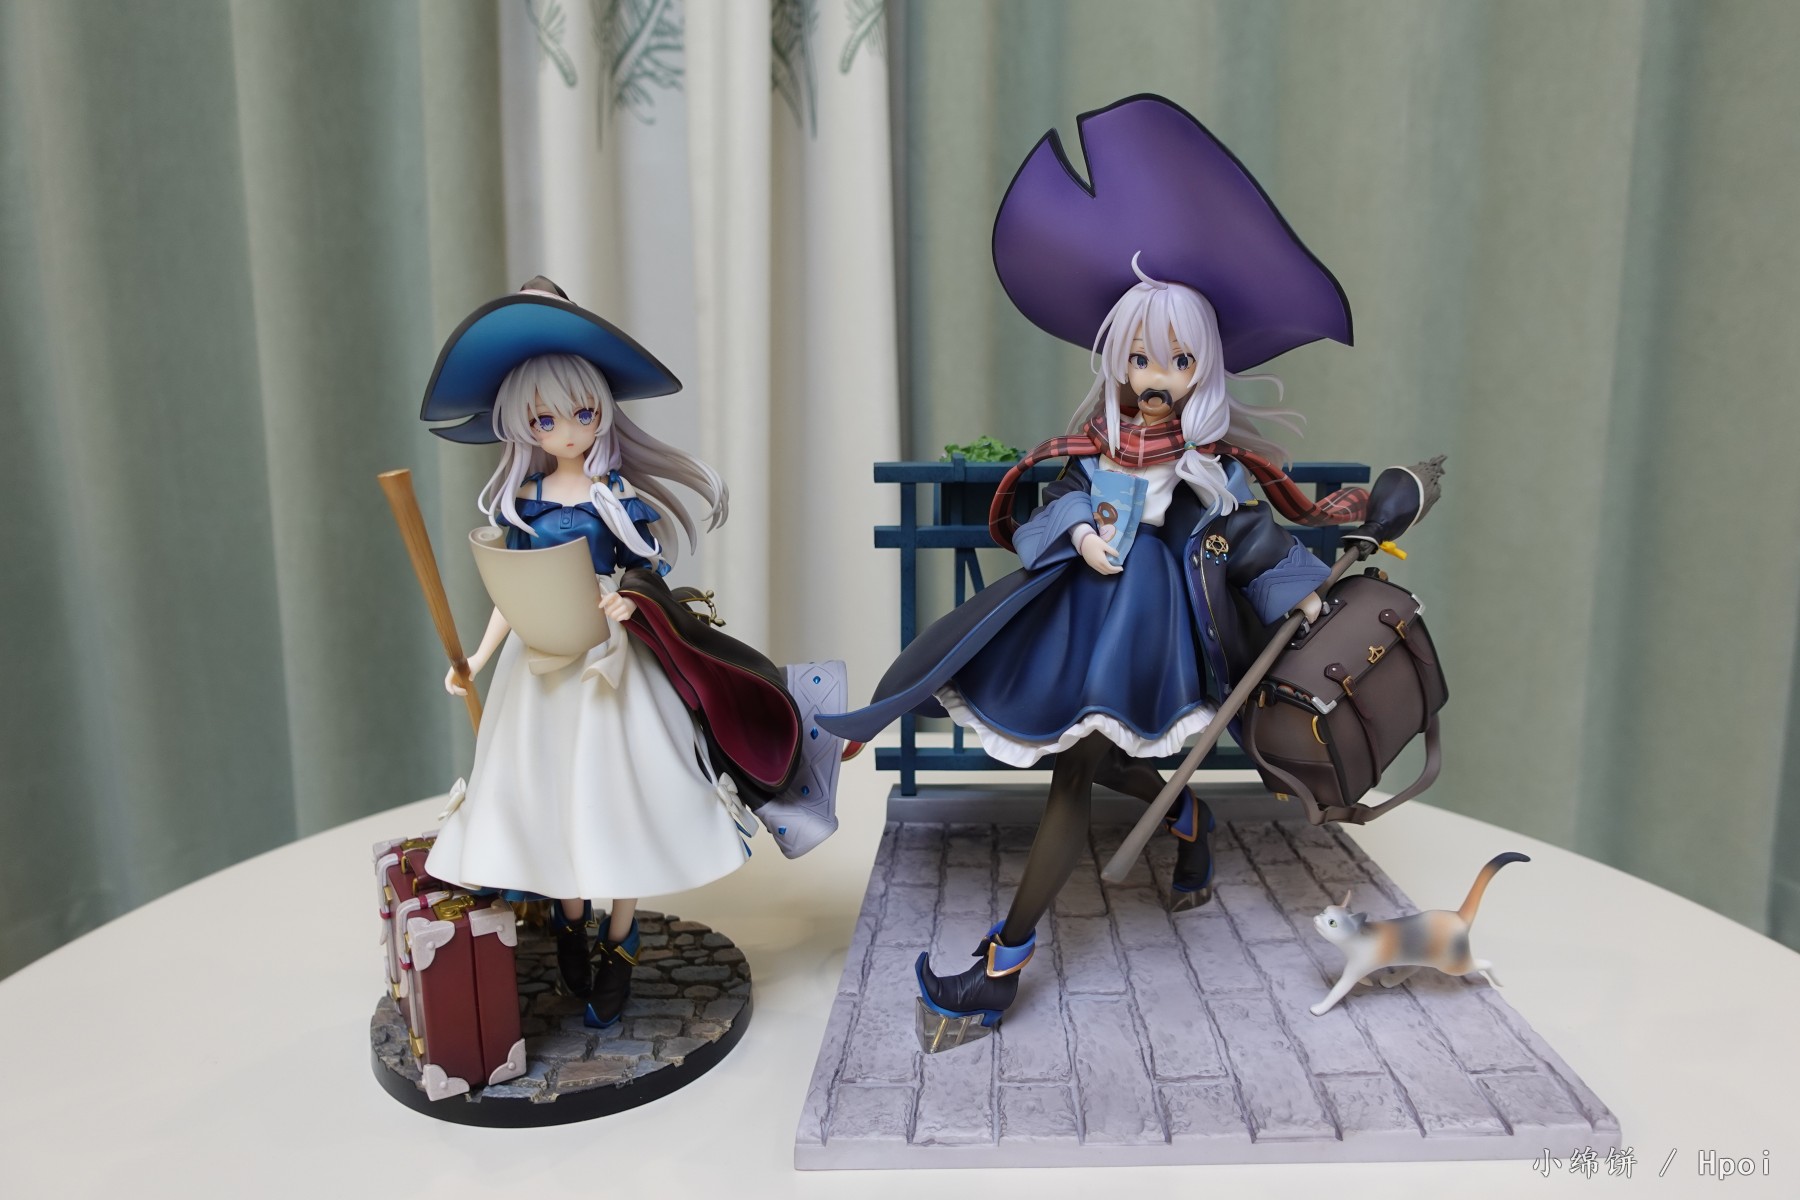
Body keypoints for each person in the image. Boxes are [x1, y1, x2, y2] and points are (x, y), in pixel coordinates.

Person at [817, 96, 1424, 1046]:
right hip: (1077, 623)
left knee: (1074, 776)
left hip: (1156, 640)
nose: (1155, 375)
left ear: (1202, 370)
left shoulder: (1210, 469)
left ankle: (1002, 961)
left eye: (1176, 361)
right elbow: (1048, 506)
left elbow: (1251, 538)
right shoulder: (1095, 450)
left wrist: (1299, 594)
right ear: (1116, 359)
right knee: (1083, 759)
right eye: (1142, 356)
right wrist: (1078, 534)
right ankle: (1187, 823)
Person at [418, 278, 806, 1028]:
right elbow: (509, 593)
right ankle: (571, 922)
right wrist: (476, 657)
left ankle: (619, 943)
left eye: (582, 412)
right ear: (523, 425)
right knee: (548, 798)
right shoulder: (525, 506)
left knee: (620, 797)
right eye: (545, 418)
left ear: (601, 412)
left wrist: (629, 601)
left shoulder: (614, 499)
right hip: (541, 666)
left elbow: (646, 574)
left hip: (611, 664)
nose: (567, 430)